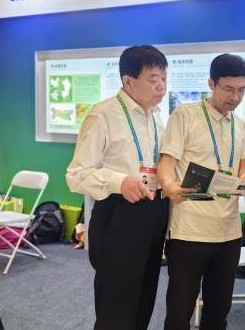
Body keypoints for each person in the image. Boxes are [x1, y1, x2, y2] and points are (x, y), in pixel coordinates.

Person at [66, 45, 169, 330]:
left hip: (154, 211)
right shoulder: (103, 115)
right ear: (128, 81)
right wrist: (118, 181)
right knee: (116, 308)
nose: (161, 86)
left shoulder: (156, 115)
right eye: (153, 79)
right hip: (119, 214)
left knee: (144, 300)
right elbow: (76, 174)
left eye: (164, 78)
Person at [157, 53, 245, 330]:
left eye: (241, 90)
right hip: (189, 231)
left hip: (228, 232)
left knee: (218, 311)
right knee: (180, 312)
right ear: (211, 84)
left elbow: (244, 164)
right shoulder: (185, 115)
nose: (235, 97)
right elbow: (167, 162)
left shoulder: (239, 124)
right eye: (229, 89)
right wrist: (168, 185)